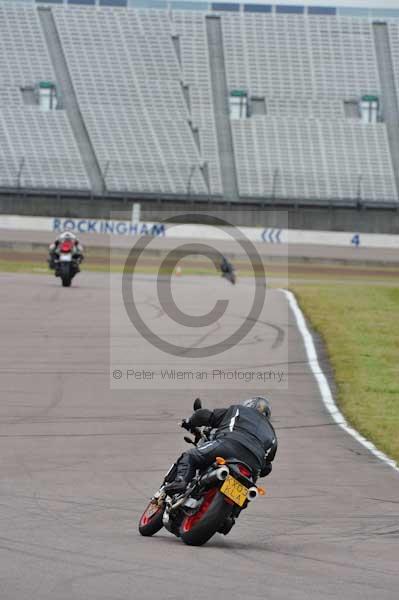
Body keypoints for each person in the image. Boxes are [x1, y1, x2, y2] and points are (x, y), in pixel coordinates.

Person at [165, 397, 277, 495]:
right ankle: (231, 515)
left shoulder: (238, 410)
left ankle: (180, 481)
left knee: (190, 456)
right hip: (252, 465)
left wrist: (189, 423)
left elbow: (205, 416)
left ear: (249, 405)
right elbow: (267, 468)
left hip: (229, 445)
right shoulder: (272, 435)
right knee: (248, 492)